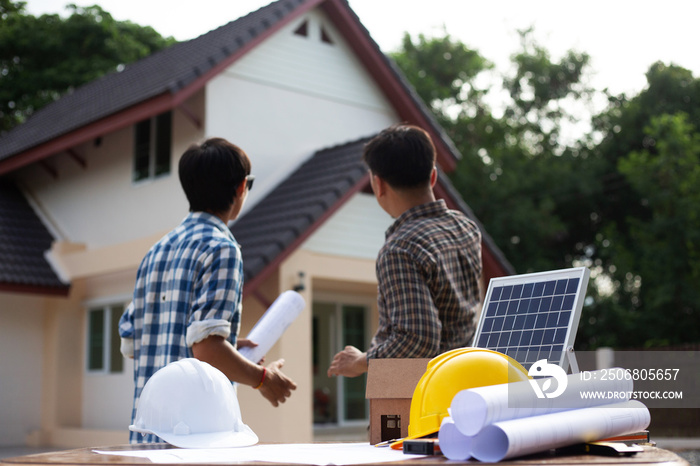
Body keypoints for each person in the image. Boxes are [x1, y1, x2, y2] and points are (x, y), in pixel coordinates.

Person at [120, 137, 297, 444]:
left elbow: (133, 345)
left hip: (147, 436)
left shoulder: (155, 252)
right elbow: (207, 350)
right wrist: (263, 379)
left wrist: (226, 343)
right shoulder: (222, 248)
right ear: (241, 187)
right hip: (194, 441)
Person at [327, 124, 482, 378]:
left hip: (422, 392)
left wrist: (362, 360)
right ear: (433, 176)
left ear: (379, 185)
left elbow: (418, 339)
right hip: (467, 376)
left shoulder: (400, 249)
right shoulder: (465, 227)